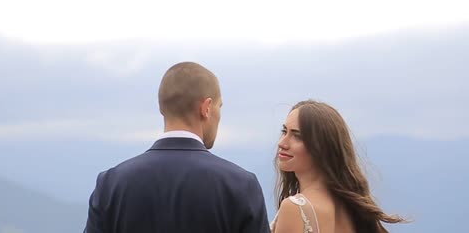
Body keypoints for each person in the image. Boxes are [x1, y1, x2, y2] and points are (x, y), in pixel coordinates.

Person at [84, 61, 270, 233]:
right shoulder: (241, 185)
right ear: (206, 108)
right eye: (219, 107)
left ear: (162, 107)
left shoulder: (110, 184)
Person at [271, 100, 406, 233]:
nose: (282, 143)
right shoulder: (354, 209)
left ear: (322, 146)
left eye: (297, 136)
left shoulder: (295, 208)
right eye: (284, 131)